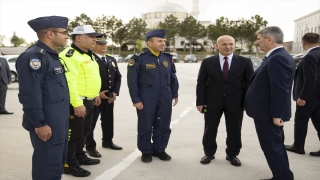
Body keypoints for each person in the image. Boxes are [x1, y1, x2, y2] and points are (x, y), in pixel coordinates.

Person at [16, 16, 70, 180]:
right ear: (50, 34)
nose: (67, 36)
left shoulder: (50, 56)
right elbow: (30, 94)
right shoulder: (33, 58)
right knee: (47, 166)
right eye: (64, 32)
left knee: (55, 163)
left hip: (58, 121)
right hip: (47, 122)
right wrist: (39, 123)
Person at [245, 26, 295, 180]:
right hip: (266, 111)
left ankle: (282, 177)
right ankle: (283, 176)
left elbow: (280, 89)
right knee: (275, 146)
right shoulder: (276, 56)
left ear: (270, 39)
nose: (256, 42)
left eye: (259, 39)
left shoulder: (278, 57)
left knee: (272, 147)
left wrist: (276, 115)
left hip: (267, 113)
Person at [196, 35, 253, 166]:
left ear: (234, 45)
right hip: (212, 101)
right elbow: (201, 83)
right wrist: (200, 101)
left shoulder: (244, 62)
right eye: (224, 44)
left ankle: (232, 154)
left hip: (236, 101)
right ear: (217, 46)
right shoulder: (208, 62)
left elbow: (249, 84)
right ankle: (209, 153)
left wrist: (247, 102)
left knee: (234, 129)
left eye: (231, 44)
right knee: (210, 128)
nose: (228, 46)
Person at [127, 29, 179, 163]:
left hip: (165, 96)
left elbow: (173, 77)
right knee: (145, 125)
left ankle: (159, 149)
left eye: (164, 41)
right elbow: (132, 81)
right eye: (160, 41)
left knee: (163, 124)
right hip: (146, 97)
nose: (163, 43)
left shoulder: (167, 58)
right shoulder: (138, 59)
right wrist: (136, 99)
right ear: (149, 43)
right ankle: (146, 151)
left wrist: (174, 94)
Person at [59, 25, 102, 177]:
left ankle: (79, 155)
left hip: (89, 101)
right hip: (77, 102)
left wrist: (95, 94)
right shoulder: (69, 55)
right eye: (91, 36)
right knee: (74, 134)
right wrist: (77, 103)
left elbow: (88, 78)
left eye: (95, 36)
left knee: (84, 132)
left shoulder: (87, 54)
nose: (94, 39)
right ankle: (69, 163)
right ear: (78, 38)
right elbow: (69, 81)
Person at [86, 35, 122, 158]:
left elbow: (117, 77)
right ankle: (90, 146)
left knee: (108, 120)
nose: (104, 45)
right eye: (100, 43)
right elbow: (87, 79)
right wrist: (97, 94)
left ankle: (107, 141)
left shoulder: (111, 59)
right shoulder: (89, 59)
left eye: (105, 43)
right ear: (94, 45)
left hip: (109, 97)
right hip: (94, 98)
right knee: (91, 123)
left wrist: (115, 93)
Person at [285, 33, 320, 157]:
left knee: (301, 120)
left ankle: (298, 146)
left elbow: (310, 79)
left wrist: (303, 97)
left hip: (309, 97)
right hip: (318, 96)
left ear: (303, 43)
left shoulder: (310, 56)